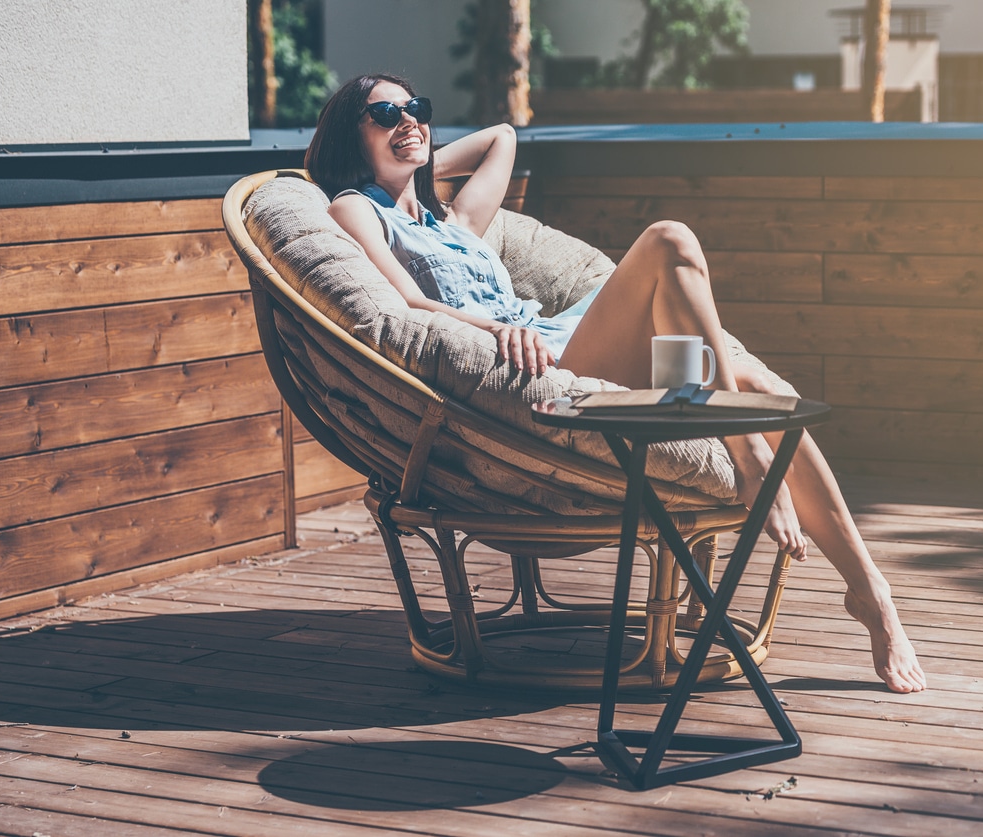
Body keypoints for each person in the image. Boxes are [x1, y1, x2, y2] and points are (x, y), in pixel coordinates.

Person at [305, 73, 927, 694]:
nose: (408, 120)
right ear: (350, 136)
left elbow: (502, 137)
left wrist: (418, 155)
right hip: (535, 365)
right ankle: (749, 454)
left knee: (757, 383)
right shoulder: (357, 207)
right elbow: (410, 302)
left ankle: (869, 589)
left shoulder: (455, 219)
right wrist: (492, 327)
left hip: (558, 332)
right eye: (385, 113)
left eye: (418, 108)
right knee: (668, 238)